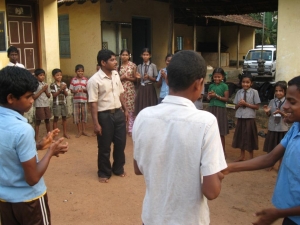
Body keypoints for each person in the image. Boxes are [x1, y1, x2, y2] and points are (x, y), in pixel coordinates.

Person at [133, 50, 227, 225]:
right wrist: (216, 176)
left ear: (167, 79)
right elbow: (212, 192)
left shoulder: (143, 116)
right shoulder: (206, 122)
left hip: (152, 218)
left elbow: (138, 169)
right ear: (199, 83)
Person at [222, 75, 300, 225]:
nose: (285, 107)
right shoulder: (296, 128)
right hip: (290, 215)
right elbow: (269, 158)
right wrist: (228, 168)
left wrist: (279, 213)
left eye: (292, 102)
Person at [0, 66, 68, 225]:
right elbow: (32, 178)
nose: (32, 100)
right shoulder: (22, 129)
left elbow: (7, 149)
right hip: (29, 201)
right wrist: (51, 152)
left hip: (5, 200)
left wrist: (36, 145)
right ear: (11, 98)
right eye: (28, 96)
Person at [87, 49, 129, 183]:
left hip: (118, 113)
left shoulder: (116, 74)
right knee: (104, 146)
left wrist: (125, 109)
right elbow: (93, 103)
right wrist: (96, 124)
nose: (115, 62)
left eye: (115, 59)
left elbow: (121, 93)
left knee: (120, 143)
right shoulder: (94, 80)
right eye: (112, 60)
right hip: (104, 116)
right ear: (103, 62)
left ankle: (118, 168)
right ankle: (104, 172)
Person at [232, 74, 261, 161]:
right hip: (240, 117)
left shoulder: (254, 92)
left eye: (247, 82)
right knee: (241, 136)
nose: (245, 84)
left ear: (251, 83)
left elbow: (257, 107)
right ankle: (242, 155)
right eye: (243, 82)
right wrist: (239, 104)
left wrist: (246, 104)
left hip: (249, 118)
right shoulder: (239, 92)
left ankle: (251, 156)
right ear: (241, 83)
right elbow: (235, 107)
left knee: (250, 136)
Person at [263, 81, 289, 171]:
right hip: (273, 128)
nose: (278, 93)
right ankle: (270, 164)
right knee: (271, 147)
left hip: (282, 128)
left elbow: (288, 116)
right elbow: (269, 114)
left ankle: (280, 165)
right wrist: (267, 112)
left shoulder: (288, 102)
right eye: (276, 91)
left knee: (281, 148)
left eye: (280, 91)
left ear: (285, 91)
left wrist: (280, 112)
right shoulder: (272, 101)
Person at [207, 68, 229, 154]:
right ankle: (212, 152)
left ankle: (222, 152)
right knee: (211, 131)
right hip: (212, 108)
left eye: (219, 77)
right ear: (212, 77)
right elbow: (208, 98)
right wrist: (209, 96)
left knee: (221, 131)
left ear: (223, 77)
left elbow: (226, 99)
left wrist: (216, 96)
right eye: (215, 77)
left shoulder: (225, 86)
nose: (217, 79)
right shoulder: (211, 86)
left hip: (220, 109)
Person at [118, 49, 137, 137]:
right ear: (120, 56)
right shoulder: (118, 66)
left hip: (130, 89)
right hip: (121, 90)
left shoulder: (133, 66)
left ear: (129, 55)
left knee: (131, 109)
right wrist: (122, 77)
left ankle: (130, 128)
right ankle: (123, 128)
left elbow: (135, 79)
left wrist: (127, 78)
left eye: (126, 55)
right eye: (123, 55)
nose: (124, 56)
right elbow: (116, 79)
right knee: (122, 109)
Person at [135, 48, 158, 116]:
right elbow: (138, 80)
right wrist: (138, 78)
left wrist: (149, 77)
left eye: (147, 55)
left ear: (150, 55)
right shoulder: (139, 66)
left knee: (150, 104)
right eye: (144, 55)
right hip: (142, 87)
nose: (145, 56)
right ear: (141, 56)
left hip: (150, 87)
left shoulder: (153, 66)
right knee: (142, 104)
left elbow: (156, 79)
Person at [69, 64, 90, 138]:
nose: (80, 73)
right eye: (78, 71)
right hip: (76, 100)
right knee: (77, 115)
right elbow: (71, 90)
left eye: (81, 71)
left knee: (84, 115)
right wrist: (75, 91)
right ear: (75, 72)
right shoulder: (73, 80)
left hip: (84, 100)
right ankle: (79, 131)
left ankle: (84, 130)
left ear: (83, 72)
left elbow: (88, 89)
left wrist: (84, 89)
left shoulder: (86, 80)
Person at [50, 68, 70, 139]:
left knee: (64, 118)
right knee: (56, 119)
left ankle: (65, 133)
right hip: (57, 104)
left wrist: (64, 89)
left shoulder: (64, 84)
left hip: (63, 103)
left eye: (60, 75)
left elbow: (66, 94)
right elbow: (54, 95)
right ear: (53, 76)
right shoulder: (52, 85)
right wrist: (60, 89)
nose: (59, 76)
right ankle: (55, 135)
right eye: (57, 75)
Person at [33, 68, 51, 141]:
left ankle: (49, 136)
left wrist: (46, 90)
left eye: (43, 75)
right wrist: (42, 90)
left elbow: (49, 96)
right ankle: (36, 138)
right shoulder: (34, 85)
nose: (42, 77)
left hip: (46, 104)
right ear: (36, 76)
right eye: (40, 75)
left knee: (47, 120)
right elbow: (34, 97)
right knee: (38, 121)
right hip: (39, 105)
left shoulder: (46, 84)